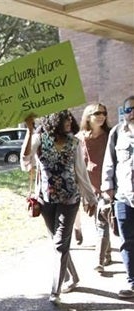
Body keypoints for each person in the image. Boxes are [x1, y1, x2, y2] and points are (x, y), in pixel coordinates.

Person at [21, 110, 97, 304]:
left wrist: (90, 198)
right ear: (54, 120)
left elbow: (81, 172)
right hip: (46, 200)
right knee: (58, 243)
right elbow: (25, 161)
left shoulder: (74, 143)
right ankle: (74, 277)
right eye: (65, 118)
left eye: (70, 118)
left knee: (59, 244)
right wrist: (29, 132)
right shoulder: (39, 138)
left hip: (70, 199)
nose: (69, 121)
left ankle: (55, 290)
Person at [101, 95, 134, 298]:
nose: (131, 113)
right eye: (127, 110)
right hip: (124, 197)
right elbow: (109, 163)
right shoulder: (116, 133)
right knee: (127, 240)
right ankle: (132, 283)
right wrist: (107, 189)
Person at [75, 103, 113, 272]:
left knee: (102, 222)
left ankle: (100, 260)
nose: (101, 116)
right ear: (88, 117)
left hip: (108, 185)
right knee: (100, 220)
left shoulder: (111, 135)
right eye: (97, 113)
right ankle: (107, 252)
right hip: (89, 187)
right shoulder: (78, 139)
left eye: (103, 113)